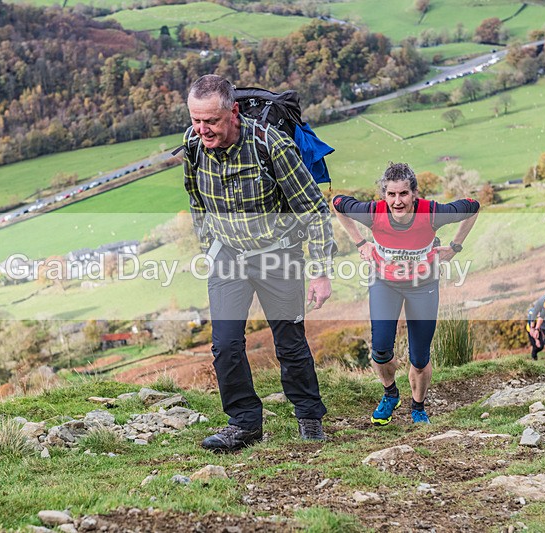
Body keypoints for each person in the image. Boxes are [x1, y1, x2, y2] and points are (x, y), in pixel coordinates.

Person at [183, 75, 336, 452]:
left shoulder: (272, 145)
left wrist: (319, 271)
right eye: (196, 121)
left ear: (233, 112)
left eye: (211, 122)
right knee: (225, 345)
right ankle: (244, 423)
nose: (203, 130)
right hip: (228, 258)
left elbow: (313, 209)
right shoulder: (193, 145)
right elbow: (195, 199)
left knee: (289, 341)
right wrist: (210, 249)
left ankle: (308, 416)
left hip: (278, 256)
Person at [332, 162, 479, 425]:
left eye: (403, 194)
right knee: (380, 350)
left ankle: (418, 407)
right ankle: (390, 394)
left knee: (420, 358)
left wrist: (455, 247)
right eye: (391, 194)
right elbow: (337, 203)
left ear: (414, 194)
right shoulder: (372, 212)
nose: (397, 201)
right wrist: (360, 242)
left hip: (423, 286)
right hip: (384, 284)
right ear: (384, 195)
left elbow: (473, 206)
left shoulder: (433, 213)